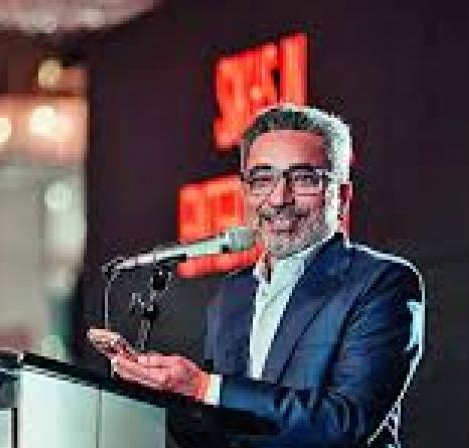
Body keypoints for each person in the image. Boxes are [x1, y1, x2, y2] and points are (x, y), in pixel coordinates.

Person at [106, 104, 424, 447]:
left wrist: (203, 387)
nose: (279, 198)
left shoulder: (382, 283)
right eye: (262, 179)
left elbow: (343, 422)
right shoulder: (235, 293)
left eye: (303, 179)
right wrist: (159, 394)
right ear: (245, 192)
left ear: (342, 197)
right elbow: (217, 430)